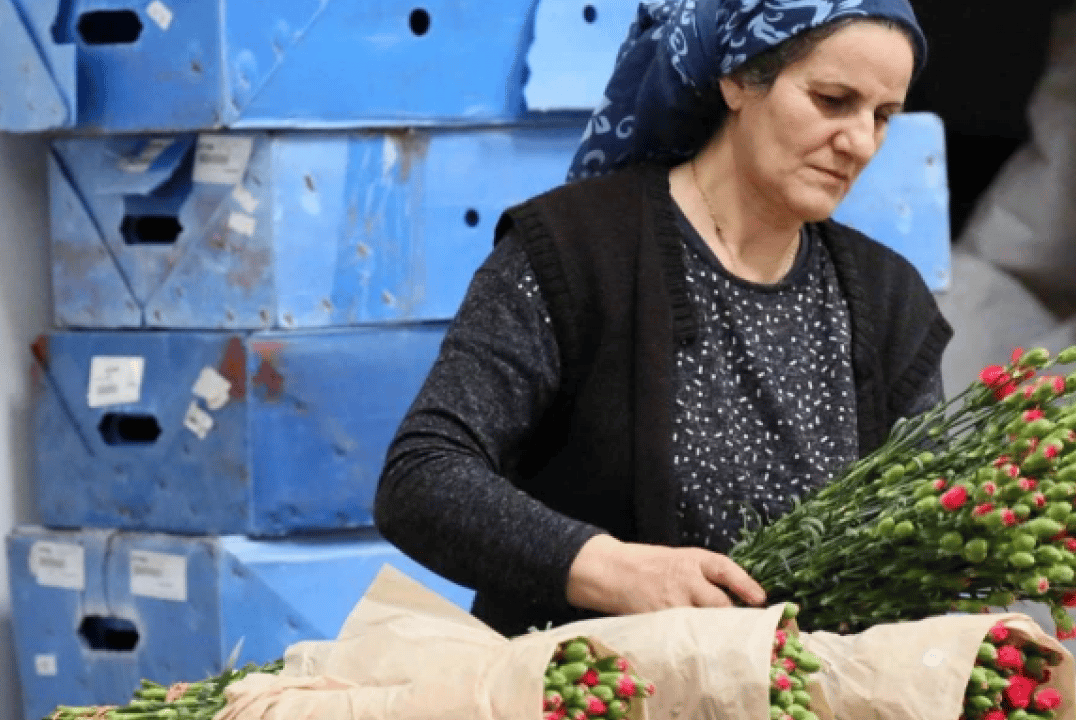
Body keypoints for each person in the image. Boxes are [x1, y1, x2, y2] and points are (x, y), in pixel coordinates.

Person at [375, 0, 952, 637]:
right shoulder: (576, 251)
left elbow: (925, 547)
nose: (860, 142)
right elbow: (422, 477)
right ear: (736, 79)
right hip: (588, 695)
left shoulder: (886, 299)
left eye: (882, 116)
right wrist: (609, 568)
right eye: (832, 99)